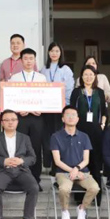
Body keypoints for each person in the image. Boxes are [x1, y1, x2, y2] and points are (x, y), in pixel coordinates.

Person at [0, 109, 40, 219]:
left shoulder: (25, 138)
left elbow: (33, 158)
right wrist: (4, 161)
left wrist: (22, 161)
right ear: (2, 123)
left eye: (13, 120)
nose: (10, 122)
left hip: (21, 170)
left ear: (17, 122)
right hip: (3, 170)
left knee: (34, 187)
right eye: (7, 120)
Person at [50, 105, 100, 219]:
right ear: (63, 119)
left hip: (82, 172)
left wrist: (76, 169)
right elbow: (57, 161)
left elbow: (86, 160)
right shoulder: (55, 136)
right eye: (67, 115)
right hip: (63, 172)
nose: (71, 117)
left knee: (95, 188)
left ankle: (82, 209)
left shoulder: (84, 136)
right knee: (64, 189)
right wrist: (72, 171)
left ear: (78, 119)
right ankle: (65, 211)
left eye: (73, 115)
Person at [69, 64, 108, 203]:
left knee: (95, 162)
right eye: (85, 74)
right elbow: (71, 111)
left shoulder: (100, 92)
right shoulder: (76, 92)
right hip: (80, 131)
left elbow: (104, 111)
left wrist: (102, 124)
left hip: (96, 131)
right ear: (81, 76)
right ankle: (80, 197)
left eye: (91, 74)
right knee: (80, 162)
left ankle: (96, 197)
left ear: (95, 76)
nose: (88, 77)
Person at [9, 48, 47, 185]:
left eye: (31, 58)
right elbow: (10, 98)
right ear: (21, 60)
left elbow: (45, 97)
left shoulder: (41, 78)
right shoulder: (15, 78)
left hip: (37, 117)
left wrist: (41, 109)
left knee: (36, 147)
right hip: (21, 117)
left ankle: (35, 179)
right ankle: (19, 179)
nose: (28, 61)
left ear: (35, 60)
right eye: (25, 58)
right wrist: (18, 110)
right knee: (20, 147)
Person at [41, 42, 75, 170]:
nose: (54, 53)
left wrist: (65, 105)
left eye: (57, 51)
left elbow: (69, 88)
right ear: (48, 53)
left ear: (61, 53)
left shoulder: (65, 69)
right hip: (46, 108)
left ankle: (58, 166)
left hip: (60, 107)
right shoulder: (43, 69)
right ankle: (48, 163)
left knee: (59, 135)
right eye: (52, 51)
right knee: (47, 135)